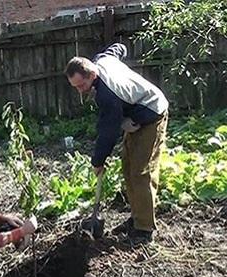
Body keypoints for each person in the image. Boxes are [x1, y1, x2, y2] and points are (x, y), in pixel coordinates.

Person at [65, 43, 169, 245]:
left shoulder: (107, 96)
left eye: (81, 85)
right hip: (135, 114)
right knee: (128, 167)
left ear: (92, 75)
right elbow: (119, 48)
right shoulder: (102, 60)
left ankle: (144, 230)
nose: (79, 91)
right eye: (75, 86)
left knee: (140, 171)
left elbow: (108, 132)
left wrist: (98, 161)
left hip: (152, 112)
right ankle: (137, 218)